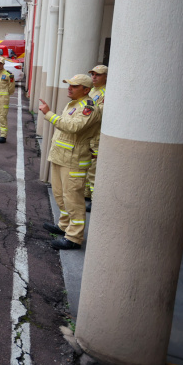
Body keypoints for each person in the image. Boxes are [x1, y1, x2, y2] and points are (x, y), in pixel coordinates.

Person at [39, 74, 102, 250]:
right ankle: (64, 225)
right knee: (60, 195)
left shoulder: (89, 107)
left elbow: (73, 127)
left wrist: (49, 114)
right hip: (61, 157)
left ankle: (74, 237)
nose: (70, 88)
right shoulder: (73, 104)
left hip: (74, 160)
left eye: (74, 86)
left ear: (86, 90)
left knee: (73, 199)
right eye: (69, 85)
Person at [84, 65, 107, 210]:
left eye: (98, 75)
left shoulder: (106, 92)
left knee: (93, 169)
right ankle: (86, 194)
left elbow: (97, 114)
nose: (94, 77)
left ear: (106, 77)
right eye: (92, 74)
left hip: (96, 136)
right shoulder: (93, 90)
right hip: (88, 135)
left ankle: (94, 200)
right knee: (87, 166)